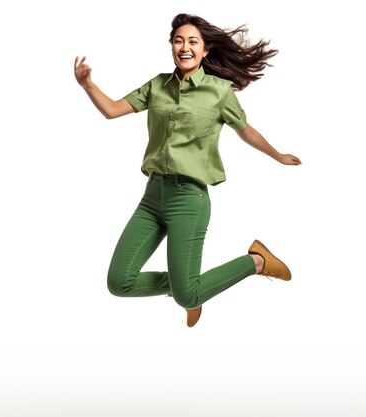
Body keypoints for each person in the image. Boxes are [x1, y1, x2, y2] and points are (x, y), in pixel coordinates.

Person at [74, 13, 301, 327]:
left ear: (205, 50)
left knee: (188, 296)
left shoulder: (219, 92)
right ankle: (189, 287)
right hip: (152, 198)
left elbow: (245, 130)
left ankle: (256, 262)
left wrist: (277, 155)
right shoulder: (157, 85)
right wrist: (88, 85)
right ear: (171, 47)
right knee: (119, 282)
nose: (185, 47)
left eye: (193, 41)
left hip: (189, 200)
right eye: (178, 40)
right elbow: (112, 110)